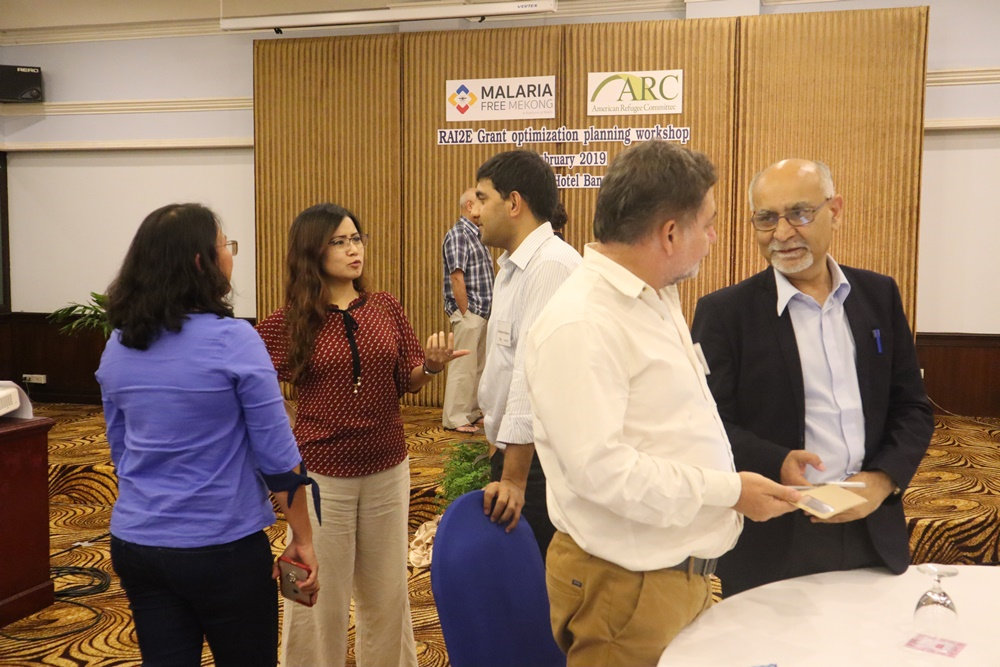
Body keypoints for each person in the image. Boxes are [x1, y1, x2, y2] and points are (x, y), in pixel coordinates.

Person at [524, 141, 802, 667]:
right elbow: (604, 473)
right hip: (626, 590)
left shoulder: (652, 294)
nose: (714, 237)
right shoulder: (583, 322)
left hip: (669, 577)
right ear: (670, 234)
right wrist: (729, 491)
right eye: (709, 224)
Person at [691, 158, 933, 596]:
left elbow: (912, 408)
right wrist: (776, 460)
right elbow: (708, 425)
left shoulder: (878, 296)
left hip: (872, 527)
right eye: (767, 218)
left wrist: (882, 482)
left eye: (799, 214)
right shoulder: (725, 314)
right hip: (777, 535)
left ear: (835, 211)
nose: (782, 233)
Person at [96, 203, 319, 666]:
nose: (230, 255)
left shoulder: (119, 343)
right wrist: (303, 538)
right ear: (202, 262)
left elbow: (121, 451)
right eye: (225, 245)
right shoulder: (233, 340)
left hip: (138, 544)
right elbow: (279, 459)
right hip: (222, 549)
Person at [255, 203, 465, 667]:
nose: (354, 250)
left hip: (387, 468)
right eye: (339, 242)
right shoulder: (292, 320)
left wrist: (431, 366)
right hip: (320, 477)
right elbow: (248, 373)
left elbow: (407, 380)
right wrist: (283, 417)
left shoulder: (385, 306)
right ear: (313, 251)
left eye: (356, 239)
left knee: (387, 594)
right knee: (314, 596)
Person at [475, 150, 581, 557]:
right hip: (515, 453)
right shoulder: (513, 267)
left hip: (539, 464)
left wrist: (514, 479)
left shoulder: (550, 265)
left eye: (483, 199)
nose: (475, 211)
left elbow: (530, 375)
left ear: (514, 203)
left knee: (537, 577)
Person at [441, 187, 494, 433]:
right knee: (463, 366)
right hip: (470, 312)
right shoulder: (459, 234)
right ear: (470, 206)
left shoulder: (476, 234)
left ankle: (471, 412)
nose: (486, 207)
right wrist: (465, 313)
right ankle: (455, 418)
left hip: (481, 310)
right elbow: (456, 276)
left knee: (477, 366)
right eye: (481, 202)